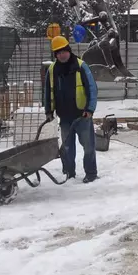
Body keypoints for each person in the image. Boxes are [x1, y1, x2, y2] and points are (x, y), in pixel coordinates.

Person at [44, 35, 99, 182]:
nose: (62, 55)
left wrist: (90, 109)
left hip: (83, 115)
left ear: (69, 50)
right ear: (55, 54)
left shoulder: (81, 66)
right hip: (65, 117)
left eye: (64, 51)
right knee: (67, 148)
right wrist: (49, 111)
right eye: (58, 52)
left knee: (88, 147)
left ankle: (91, 173)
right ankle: (69, 172)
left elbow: (92, 89)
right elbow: (47, 92)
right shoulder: (52, 69)